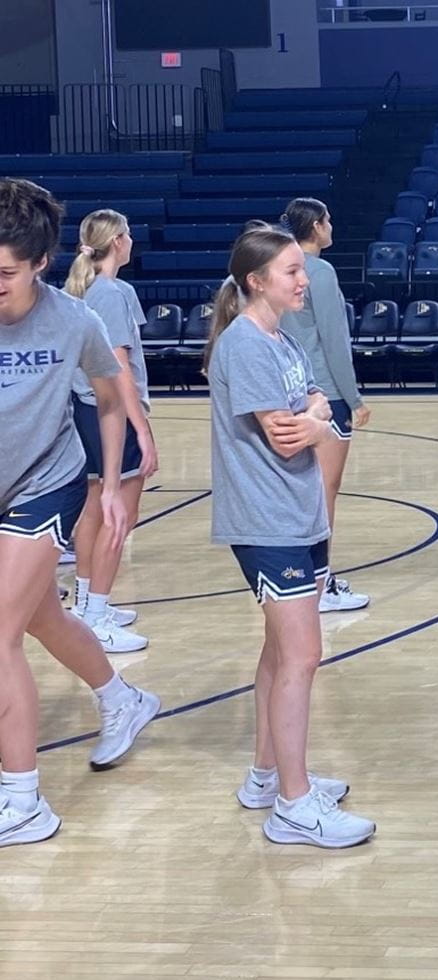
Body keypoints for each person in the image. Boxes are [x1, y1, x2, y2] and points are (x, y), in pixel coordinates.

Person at [0, 178, 161, 847]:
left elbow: (109, 398)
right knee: (39, 616)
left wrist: (114, 484)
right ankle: (123, 698)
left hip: (46, 481)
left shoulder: (76, 320)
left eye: (5, 272)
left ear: (40, 263)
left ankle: (23, 798)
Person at [205, 225, 374, 848]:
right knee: (303, 656)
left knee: (280, 653)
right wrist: (314, 416)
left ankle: (267, 777)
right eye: (292, 272)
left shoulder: (280, 339)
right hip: (268, 519)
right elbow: (287, 432)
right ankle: (295, 807)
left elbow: (317, 405)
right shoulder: (246, 344)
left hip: (294, 514)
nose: (304, 281)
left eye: (303, 269)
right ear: (256, 281)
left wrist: (316, 412)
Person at [64, 209, 157, 653]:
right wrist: (143, 428)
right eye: (129, 234)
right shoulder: (112, 293)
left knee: (94, 513)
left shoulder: (88, 290)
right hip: (111, 415)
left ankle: (87, 603)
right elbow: (119, 367)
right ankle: (96, 614)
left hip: (85, 413)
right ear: (118, 241)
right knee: (120, 514)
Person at [278, 198, 370, 613]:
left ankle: (293, 577)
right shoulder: (320, 271)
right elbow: (335, 342)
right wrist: (354, 398)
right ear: (316, 227)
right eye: (328, 220)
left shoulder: (270, 268)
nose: (332, 226)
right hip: (324, 391)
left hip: (284, 388)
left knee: (295, 492)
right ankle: (321, 583)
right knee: (323, 492)